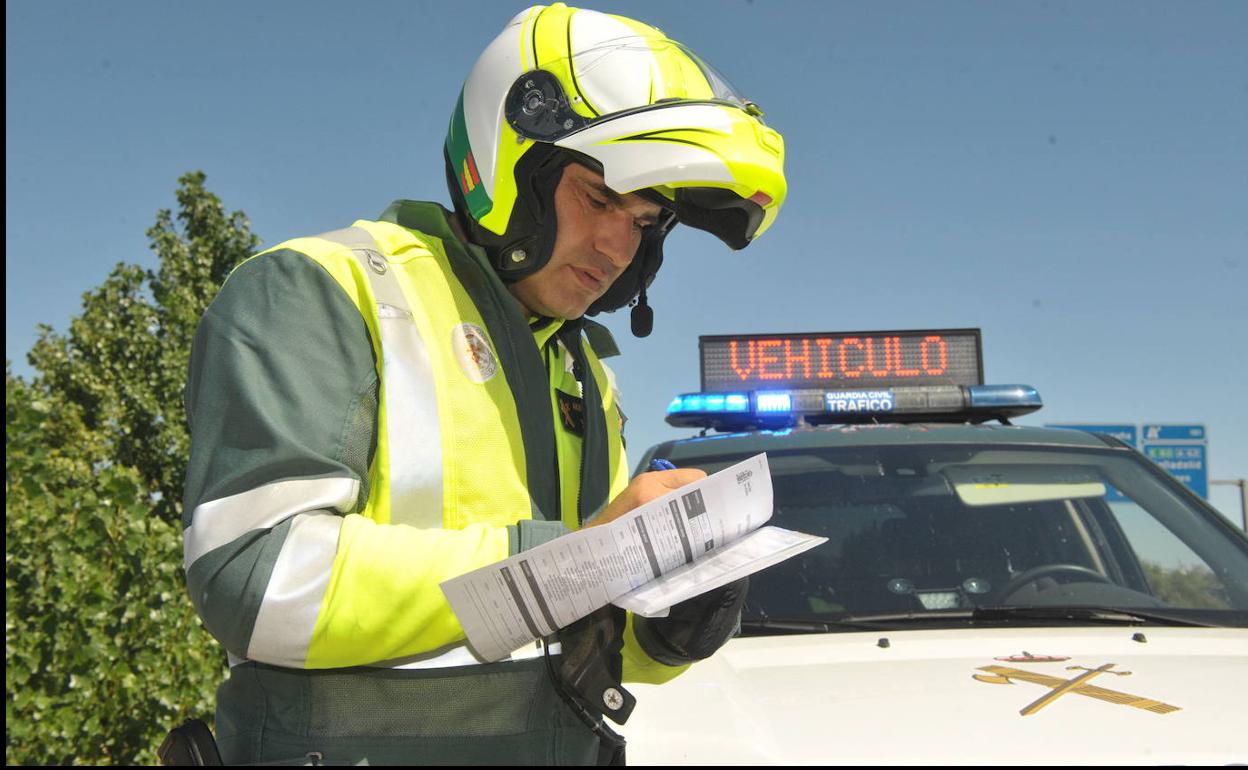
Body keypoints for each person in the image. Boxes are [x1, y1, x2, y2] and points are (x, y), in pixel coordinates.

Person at [181, 3, 786, 764]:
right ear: (509, 167)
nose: (615, 246)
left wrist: (663, 630)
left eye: (642, 222)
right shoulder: (324, 289)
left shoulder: (585, 373)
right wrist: (574, 558)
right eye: (598, 199)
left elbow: (564, 623)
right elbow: (257, 584)